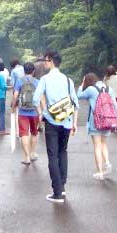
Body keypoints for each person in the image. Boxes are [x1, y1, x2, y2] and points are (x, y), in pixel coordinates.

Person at [32, 50, 78, 204]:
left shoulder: (45, 79)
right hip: (67, 121)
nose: (45, 63)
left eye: (46, 60)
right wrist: (75, 123)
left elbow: (35, 99)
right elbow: (75, 103)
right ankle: (62, 187)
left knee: (52, 155)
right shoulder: (67, 80)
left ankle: (57, 193)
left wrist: (42, 113)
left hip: (52, 121)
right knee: (62, 152)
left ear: (50, 61)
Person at [77, 72, 113, 179]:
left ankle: (100, 172)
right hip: (107, 119)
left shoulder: (91, 89)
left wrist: (81, 84)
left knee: (97, 146)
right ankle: (107, 162)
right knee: (104, 143)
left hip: (95, 121)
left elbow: (79, 95)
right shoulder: (108, 88)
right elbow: (114, 103)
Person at [13, 61, 40, 165]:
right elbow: (41, 98)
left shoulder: (19, 81)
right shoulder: (37, 82)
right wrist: (41, 111)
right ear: (33, 71)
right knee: (34, 133)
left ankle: (27, 157)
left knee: (24, 133)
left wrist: (13, 107)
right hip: (34, 112)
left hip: (23, 112)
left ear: (24, 71)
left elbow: (15, 96)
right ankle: (32, 153)